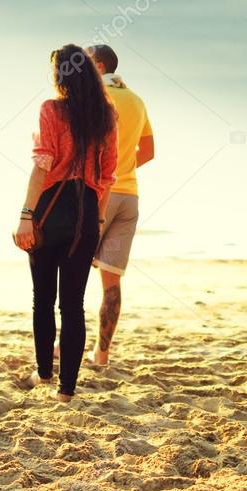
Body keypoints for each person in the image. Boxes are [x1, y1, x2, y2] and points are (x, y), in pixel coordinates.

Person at [13, 44, 117, 402]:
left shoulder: (51, 110)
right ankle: (66, 392)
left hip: (51, 207)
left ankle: (43, 374)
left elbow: (43, 163)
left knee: (42, 299)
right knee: (73, 304)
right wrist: (98, 221)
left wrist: (27, 214)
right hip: (86, 212)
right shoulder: (106, 115)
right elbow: (107, 177)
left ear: (60, 75)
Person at [86, 44, 155, 366]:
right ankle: (102, 354)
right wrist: (121, 169)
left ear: (98, 67)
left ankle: (60, 344)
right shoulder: (137, 99)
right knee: (111, 282)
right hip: (129, 196)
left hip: (98, 193)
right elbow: (149, 151)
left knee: (71, 272)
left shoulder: (93, 99)